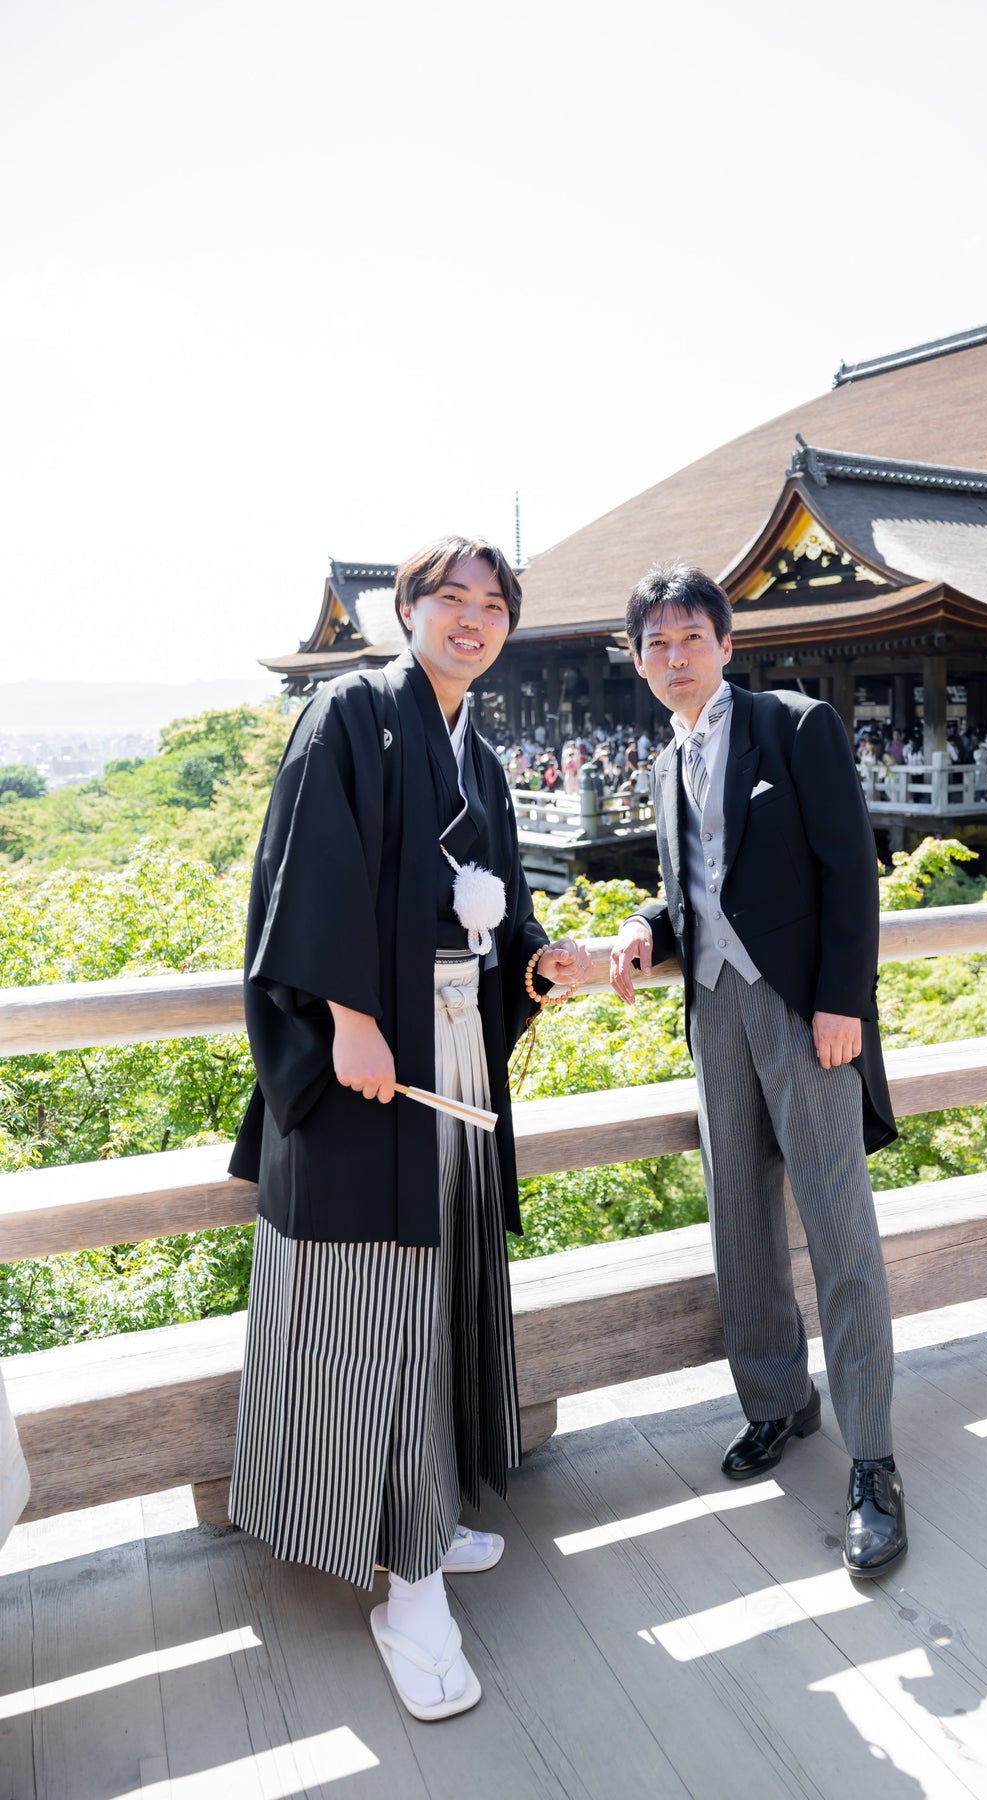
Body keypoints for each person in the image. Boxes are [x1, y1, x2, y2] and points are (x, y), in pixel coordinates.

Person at [227, 535, 591, 1720]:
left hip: (453, 1046)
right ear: (409, 609)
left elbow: (500, 916)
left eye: (494, 605)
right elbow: (310, 872)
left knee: (444, 1286)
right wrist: (345, 1018)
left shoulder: (474, 750)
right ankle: (405, 1581)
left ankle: (426, 1507)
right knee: (375, 1297)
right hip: (366, 1060)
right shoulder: (352, 713)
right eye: (454, 600)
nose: (474, 619)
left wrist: (540, 963)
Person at [609, 564, 905, 1578]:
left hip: (801, 1007)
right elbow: (685, 890)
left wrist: (842, 1006)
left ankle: (873, 1458)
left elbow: (849, 871)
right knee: (739, 1218)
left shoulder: (794, 725)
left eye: (691, 636)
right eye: (656, 643)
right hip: (715, 1012)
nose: (675, 654)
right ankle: (779, 1403)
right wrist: (641, 934)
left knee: (838, 1227)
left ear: (725, 644)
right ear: (641, 662)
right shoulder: (661, 764)